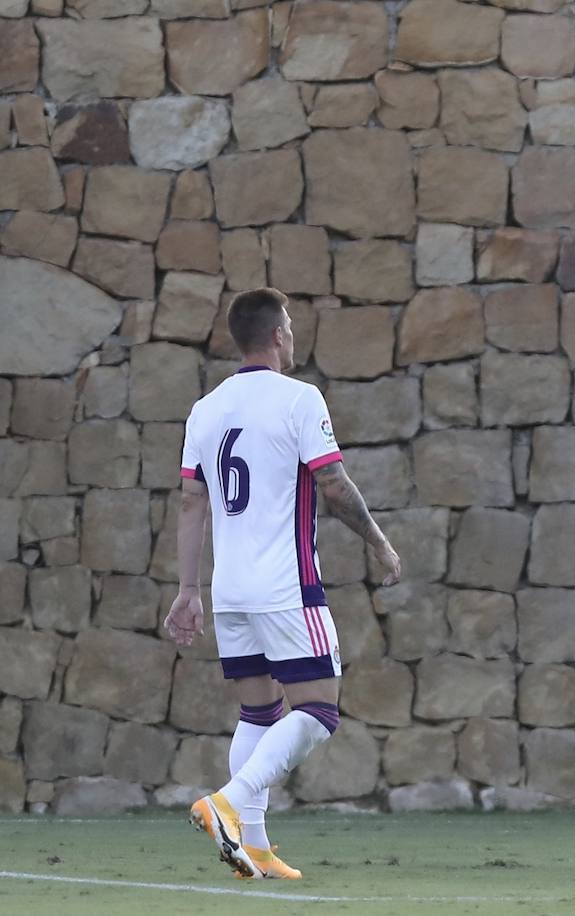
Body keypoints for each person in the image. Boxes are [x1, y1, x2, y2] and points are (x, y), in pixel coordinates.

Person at [163, 288, 402, 880]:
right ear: (276, 335)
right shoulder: (299, 399)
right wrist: (378, 541)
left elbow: (192, 502)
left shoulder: (206, 409)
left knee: (259, 712)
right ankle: (228, 802)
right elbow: (335, 486)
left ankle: (258, 848)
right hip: (288, 587)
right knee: (320, 709)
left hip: (232, 590)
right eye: (290, 326)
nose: (293, 336)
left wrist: (188, 590)